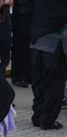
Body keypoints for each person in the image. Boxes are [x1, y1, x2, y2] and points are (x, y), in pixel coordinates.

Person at [29, 0, 67, 130]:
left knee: (39, 81)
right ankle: (47, 120)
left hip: (36, 39)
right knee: (54, 83)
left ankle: (38, 116)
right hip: (56, 42)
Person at [11, 0, 34, 88]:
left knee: (29, 45)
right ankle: (18, 76)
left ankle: (27, 74)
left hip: (30, 10)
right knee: (21, 44)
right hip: (22, 11)